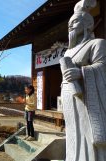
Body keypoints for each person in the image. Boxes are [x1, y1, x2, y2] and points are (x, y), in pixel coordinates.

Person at [60, 0, 106, 160]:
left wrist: (81, 73)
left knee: (87, 134)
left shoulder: (97, 44)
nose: (70, 25)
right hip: (69, 97)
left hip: (87, 97)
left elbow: (103, 67)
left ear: (87, 24)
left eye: (74, 21)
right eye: (69, 23)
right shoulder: (67, 52)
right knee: (73, 132)